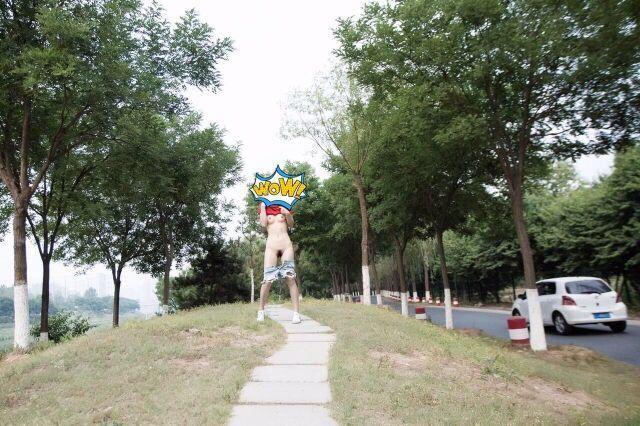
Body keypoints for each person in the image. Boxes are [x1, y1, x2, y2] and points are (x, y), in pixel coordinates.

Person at [256, 202, 301, 324]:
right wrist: (263, 208)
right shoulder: (263, 205)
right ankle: (261, 311)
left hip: (286, 246)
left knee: (290, 278)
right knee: (267, 280)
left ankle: (296, 313)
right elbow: (263, 224)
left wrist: (287, 214)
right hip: (271, 247)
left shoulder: (285, 203)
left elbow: (291, 224)